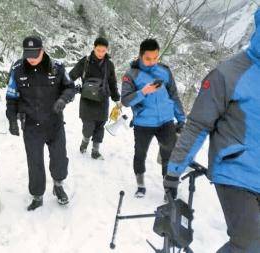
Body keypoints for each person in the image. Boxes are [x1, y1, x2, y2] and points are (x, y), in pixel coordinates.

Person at [164, 9, 260, 252]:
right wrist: (175, 169)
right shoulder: (229, 73)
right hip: (235, 170)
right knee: (249, 243)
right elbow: (197, 124)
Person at [6, 36, 75, 211]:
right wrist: (12, 120)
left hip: (54, 123)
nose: (31, 58)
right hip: (31, 125)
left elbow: (70, 87)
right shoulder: (17, 69)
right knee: (34, 162)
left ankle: (58, 185)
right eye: (27, 55)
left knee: (59, 159)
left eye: (34, 54)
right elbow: (11, 96)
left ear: (42, 51)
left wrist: (62, 100)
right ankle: (37, 195)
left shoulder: (57, 67)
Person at [121, 38, 186, 198]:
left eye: (156, 58)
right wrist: (144, 92)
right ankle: (141, 185)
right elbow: (125, 100)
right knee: (140, 154)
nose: (152, 62)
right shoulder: (131, 74)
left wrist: (181, 118)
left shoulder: (164, 71)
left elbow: (173, 95)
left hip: (165, 121)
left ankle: (169, 190)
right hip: (143, 123)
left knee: (169, 154)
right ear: (140, 56)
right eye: (148, 58)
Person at [69, 37, 121, 160]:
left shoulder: (109, 64)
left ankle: (95, 151)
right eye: (98, 50)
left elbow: (112, 82)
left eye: (103, 51)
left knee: (99, 126)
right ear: (94, 48)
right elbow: (71, 75)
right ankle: (85, 141)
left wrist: (116, 99)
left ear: (107, 50)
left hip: (103, 100)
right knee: (88, 126)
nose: (100, 53)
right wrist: (65, 87)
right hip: (87, 99)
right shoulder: (85, 61)